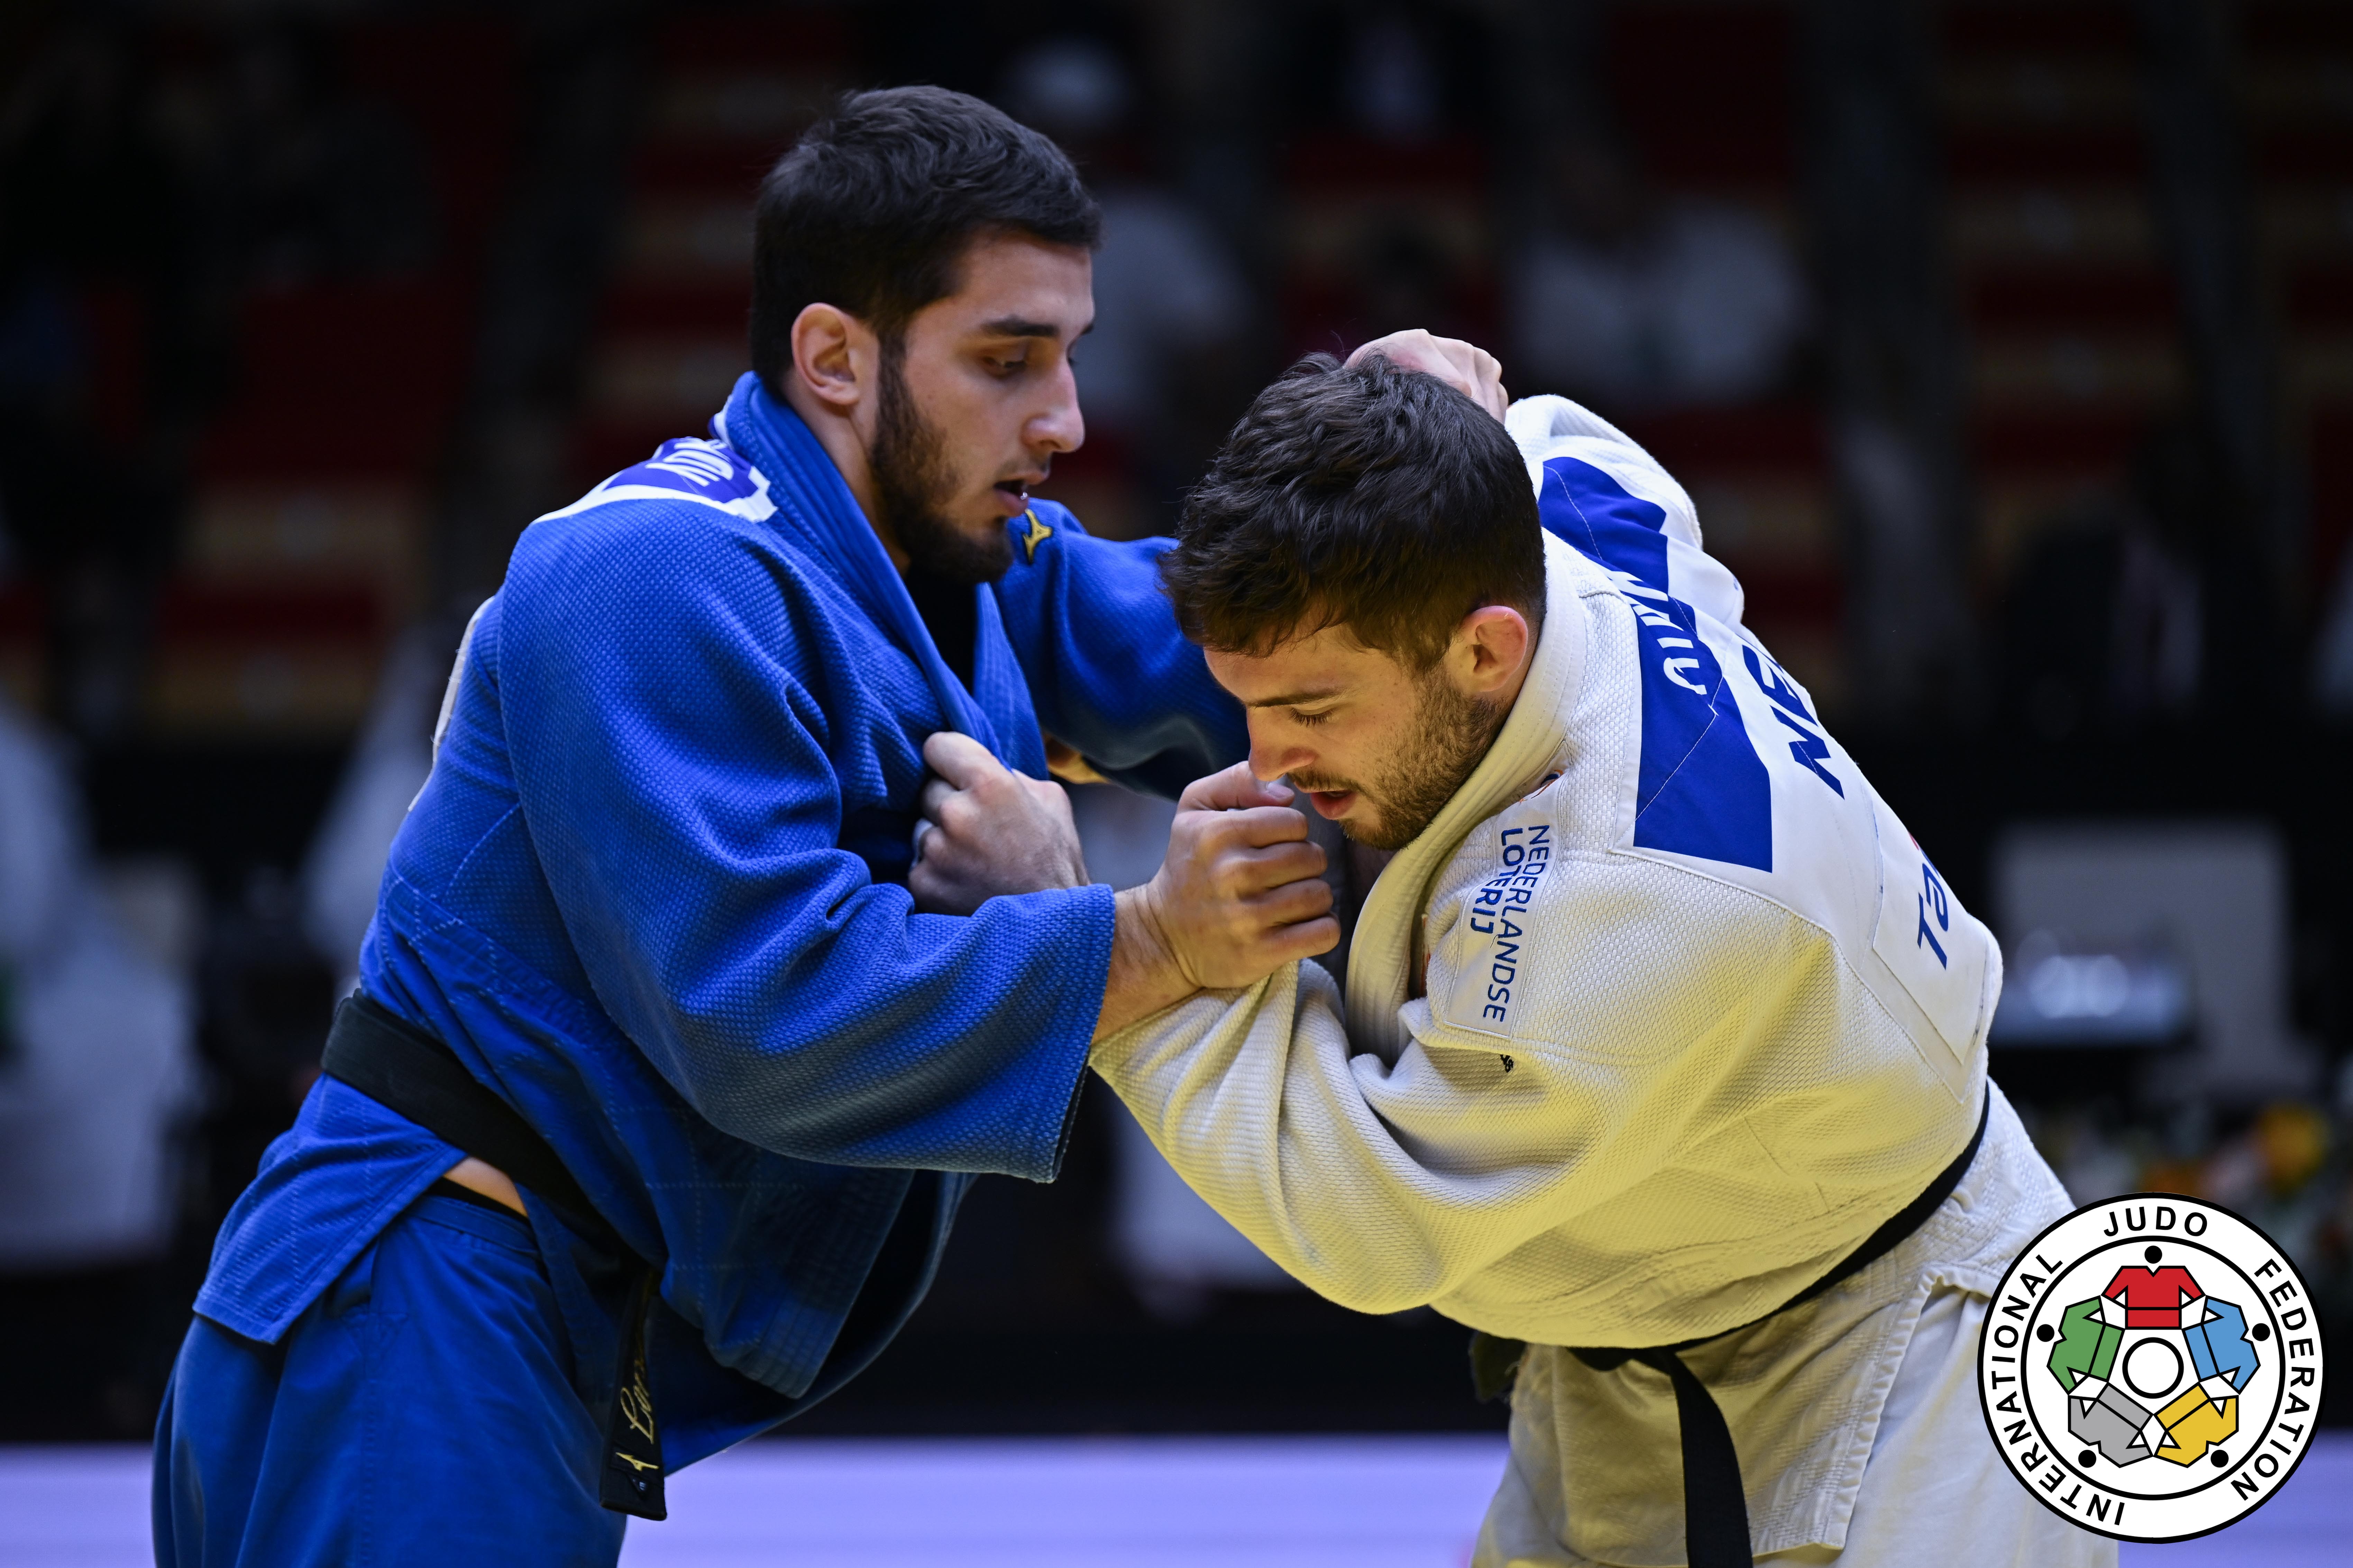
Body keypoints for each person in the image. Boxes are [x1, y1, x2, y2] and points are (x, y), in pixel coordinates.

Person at [153, 86, 1388, 1564]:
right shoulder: (647, 572)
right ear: (834, 360)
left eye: (1069, 357)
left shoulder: (955, 563)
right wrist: (1151, 941)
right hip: (411, 1300)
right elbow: (767, 1011)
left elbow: (1217, 642)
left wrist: (1425, 496)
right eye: (1006, 361)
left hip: (525, 1314)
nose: (1063, 419)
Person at [1093, 356, 2112, 1566]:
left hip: (1892, 1375)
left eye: (1313, 710)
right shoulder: (1568, 510)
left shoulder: (1621, 902)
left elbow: (1365, 1215)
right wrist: (1406, 391)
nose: (1266, 763)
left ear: (1484, 651)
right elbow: (1524, 423)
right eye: (1248, 706)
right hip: (1653, 1332)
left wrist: (1119, 950)